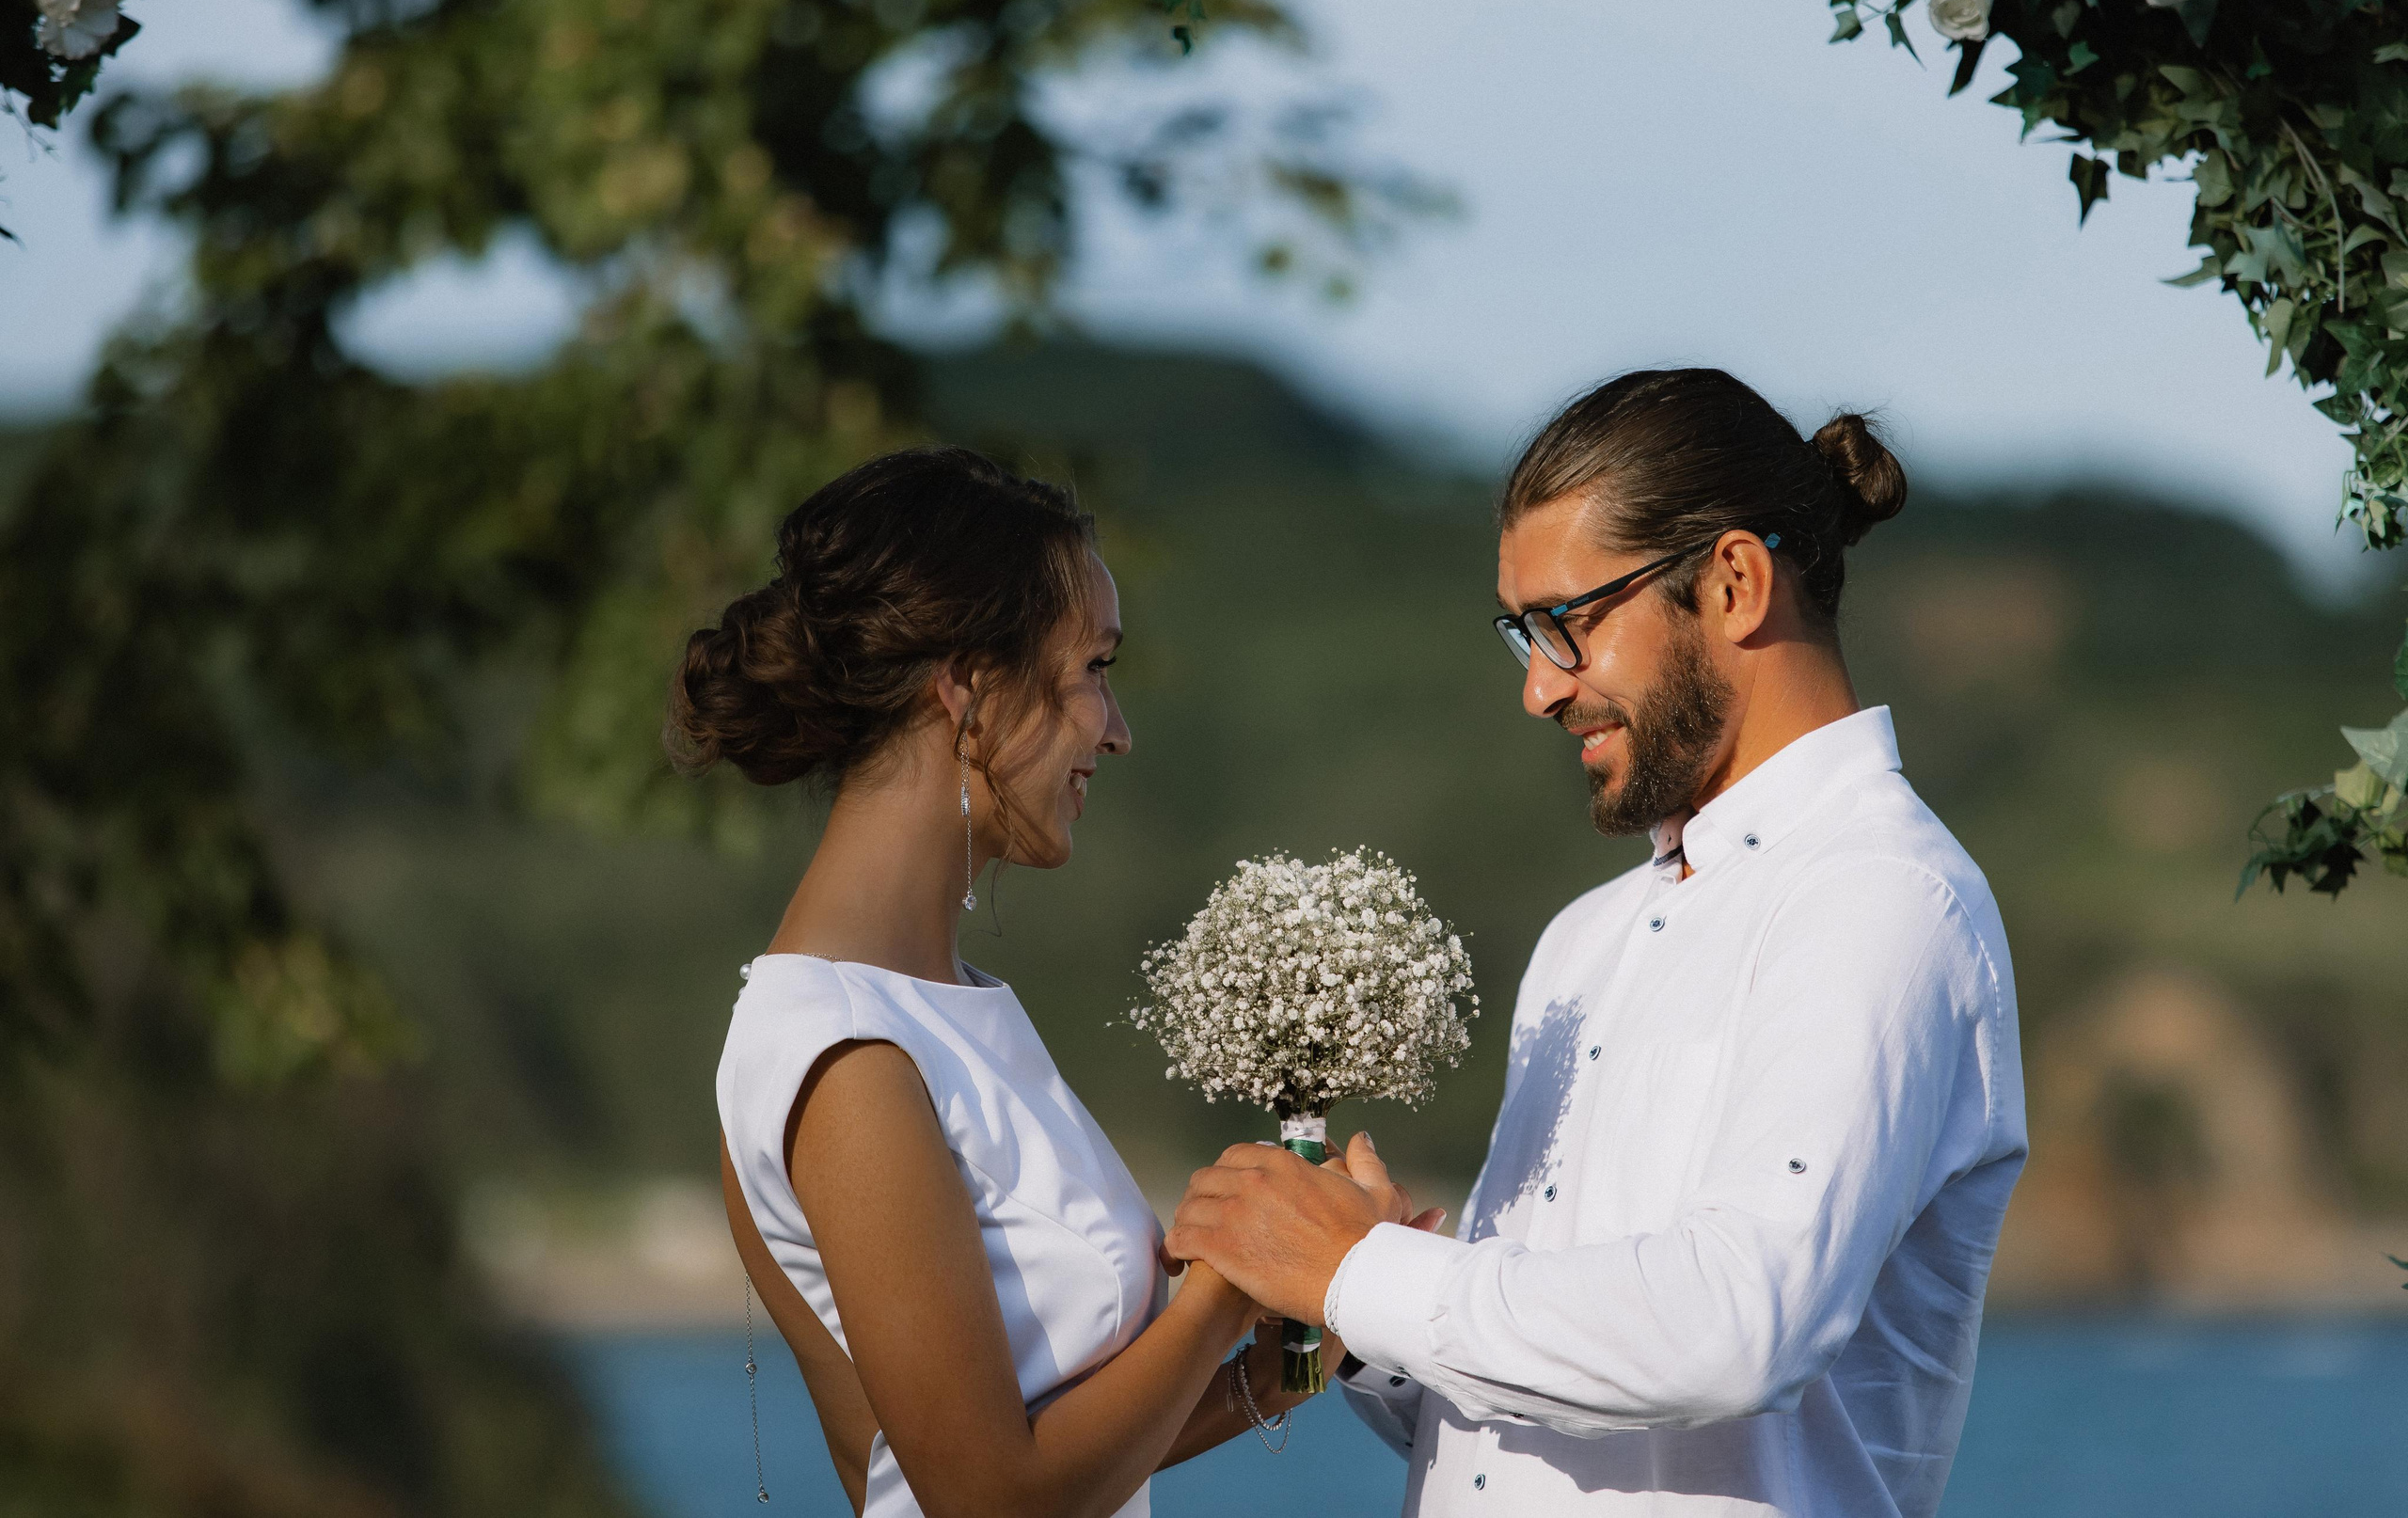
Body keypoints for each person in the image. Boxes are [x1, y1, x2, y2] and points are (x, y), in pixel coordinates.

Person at [1165, 369, 2028, 1518]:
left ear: (1731, 583)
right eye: (1520, 633)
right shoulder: (1585, 940)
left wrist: (1355, 1269)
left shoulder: (1878, 897)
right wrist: (1347, 1316)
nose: (1537, 688)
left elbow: (1737, 1327)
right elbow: (1505, 1424)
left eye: (1567, 624)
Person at [684, 449, 1386, 1518]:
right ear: (966, 688)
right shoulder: (844, 1053)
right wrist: (1228, 1280)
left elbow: (1073, 1452)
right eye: (1093, 668)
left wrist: (1296, 1344)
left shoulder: (943, 1009)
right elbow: (986, 1498)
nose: (1117, 727)